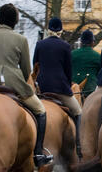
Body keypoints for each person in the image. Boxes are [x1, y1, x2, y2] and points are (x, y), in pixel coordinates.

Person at [0, 3, 52, 167]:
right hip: (14, 84)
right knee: (41, 111)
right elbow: (27, 70)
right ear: (14, 21)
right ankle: (38, 153)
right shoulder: (21, 39)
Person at [33, 17, 83, 159]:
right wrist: (67, 85)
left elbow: (35, 66)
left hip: (42, 88)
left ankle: (36, 146)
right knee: (79, 112)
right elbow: (68, 71)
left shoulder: (40, 44)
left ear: (48, 30)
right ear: (61, 30)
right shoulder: (66, 46)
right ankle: (79, 147)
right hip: (60, 88)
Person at [71, 29, 101, 98]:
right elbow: (101, 74)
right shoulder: (98, 56)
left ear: (81, 42)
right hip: (91, 91)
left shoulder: (72, 54)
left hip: (73, 91)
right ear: (92, 42)